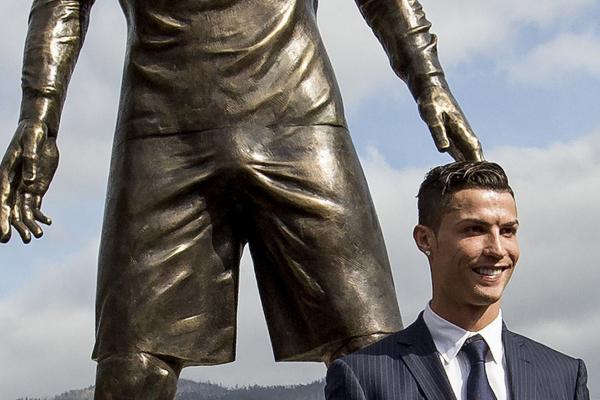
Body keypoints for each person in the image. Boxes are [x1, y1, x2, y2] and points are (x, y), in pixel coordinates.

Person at [0, 0, 483, 398]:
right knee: (133, 368)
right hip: (162, 132)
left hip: (299, 119)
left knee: (371, 353)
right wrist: (38, 114)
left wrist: (430, 82)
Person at [325, 161, 590, 400]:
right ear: (425, 239)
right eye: (475, 229)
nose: (497, 249)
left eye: (508, 231)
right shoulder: (362, 377)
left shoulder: (565, 376)